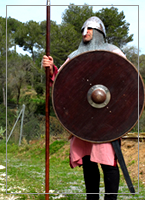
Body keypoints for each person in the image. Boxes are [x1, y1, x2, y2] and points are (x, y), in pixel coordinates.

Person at [42, 16, 126, 200]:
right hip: (84, 118)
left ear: (98, 33)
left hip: (107, 119)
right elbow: (63, 82)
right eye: (83, 29)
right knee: (89, 163)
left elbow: (124, 83)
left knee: (109, 164)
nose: (85, 32)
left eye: (89, 29)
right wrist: (51, 69)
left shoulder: (113, 52)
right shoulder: (74, 56)